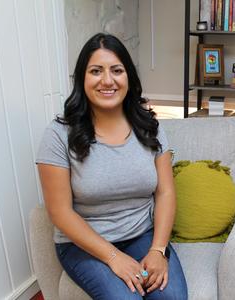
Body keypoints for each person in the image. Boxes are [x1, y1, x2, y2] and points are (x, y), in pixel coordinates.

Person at [36, 33, 187, 299]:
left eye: (117, 70)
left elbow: (165, 192)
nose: (107, 80)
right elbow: (59, 212)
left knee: (171, 296)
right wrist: (113, 257)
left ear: (128, 77)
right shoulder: (58, 135)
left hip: (141, 233)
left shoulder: (151, 127)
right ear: (82, 79)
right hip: (83, 245)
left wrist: (157, 250)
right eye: (96, 71)